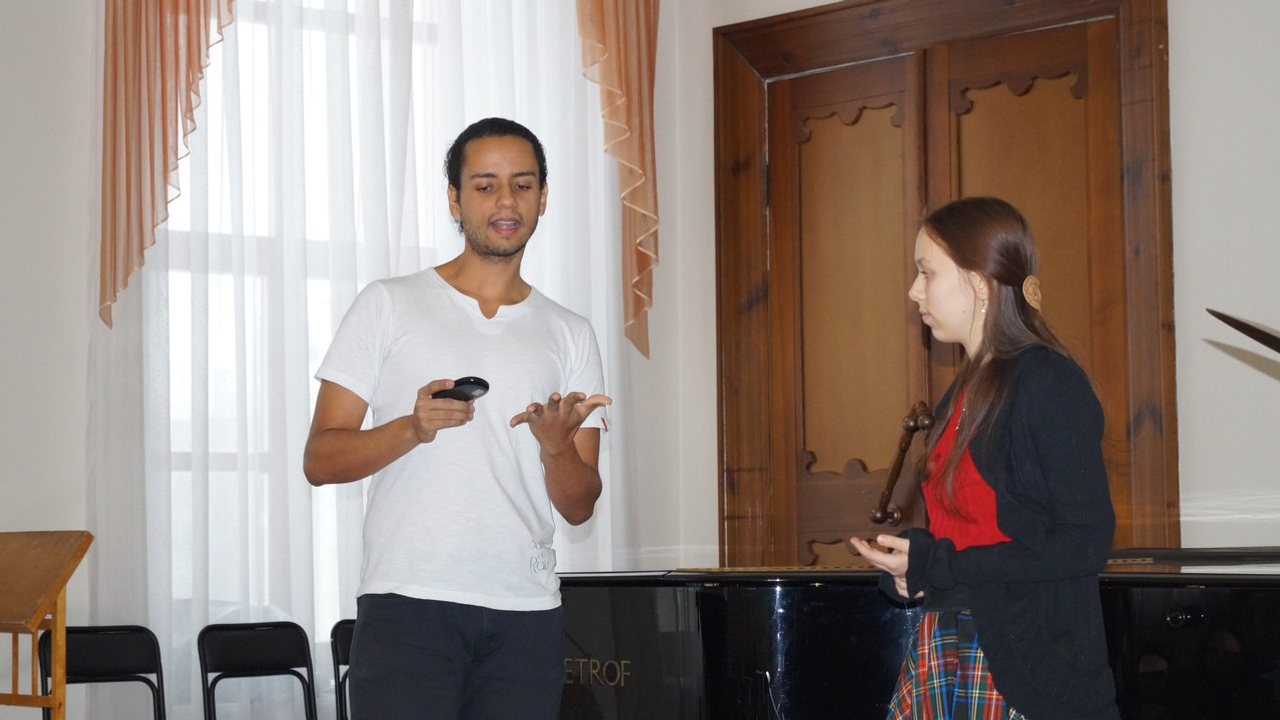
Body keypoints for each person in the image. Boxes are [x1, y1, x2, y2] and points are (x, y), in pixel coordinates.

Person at [303, 117, 611, 720]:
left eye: (523, 185)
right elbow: (320, 460)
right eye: (485, 185)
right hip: (408, 607)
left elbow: (579, 507)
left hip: (526, 615)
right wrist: (412, 428)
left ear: (543, 198)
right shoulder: (388, 304)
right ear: (454, 199)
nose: (506, 201)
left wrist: (555, 448)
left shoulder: (571, 332)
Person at [850, 197, 1119, 720]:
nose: (914, 290)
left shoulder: (1049, 383)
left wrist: (940, 564)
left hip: (1026, 660)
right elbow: (966, 534)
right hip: (951, 638)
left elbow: (1083, 542)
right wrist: (914, 565)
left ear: (979, 282)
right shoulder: (963, 392)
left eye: (927, 272)